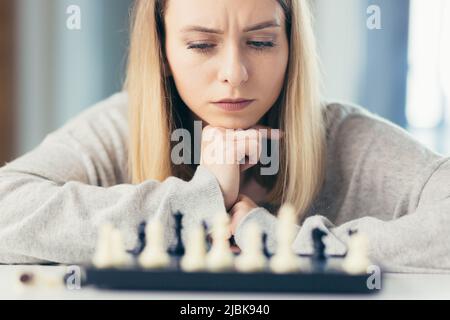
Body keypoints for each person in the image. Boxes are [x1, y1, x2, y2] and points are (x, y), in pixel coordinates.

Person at [0, 0, 449, 273]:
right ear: (162, 52)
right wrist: (203, 194)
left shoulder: (347, 140)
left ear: (292, 47)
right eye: (201, 45)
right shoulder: (120, 126)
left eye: (261, 42)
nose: (234, 74)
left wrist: (279, 242)